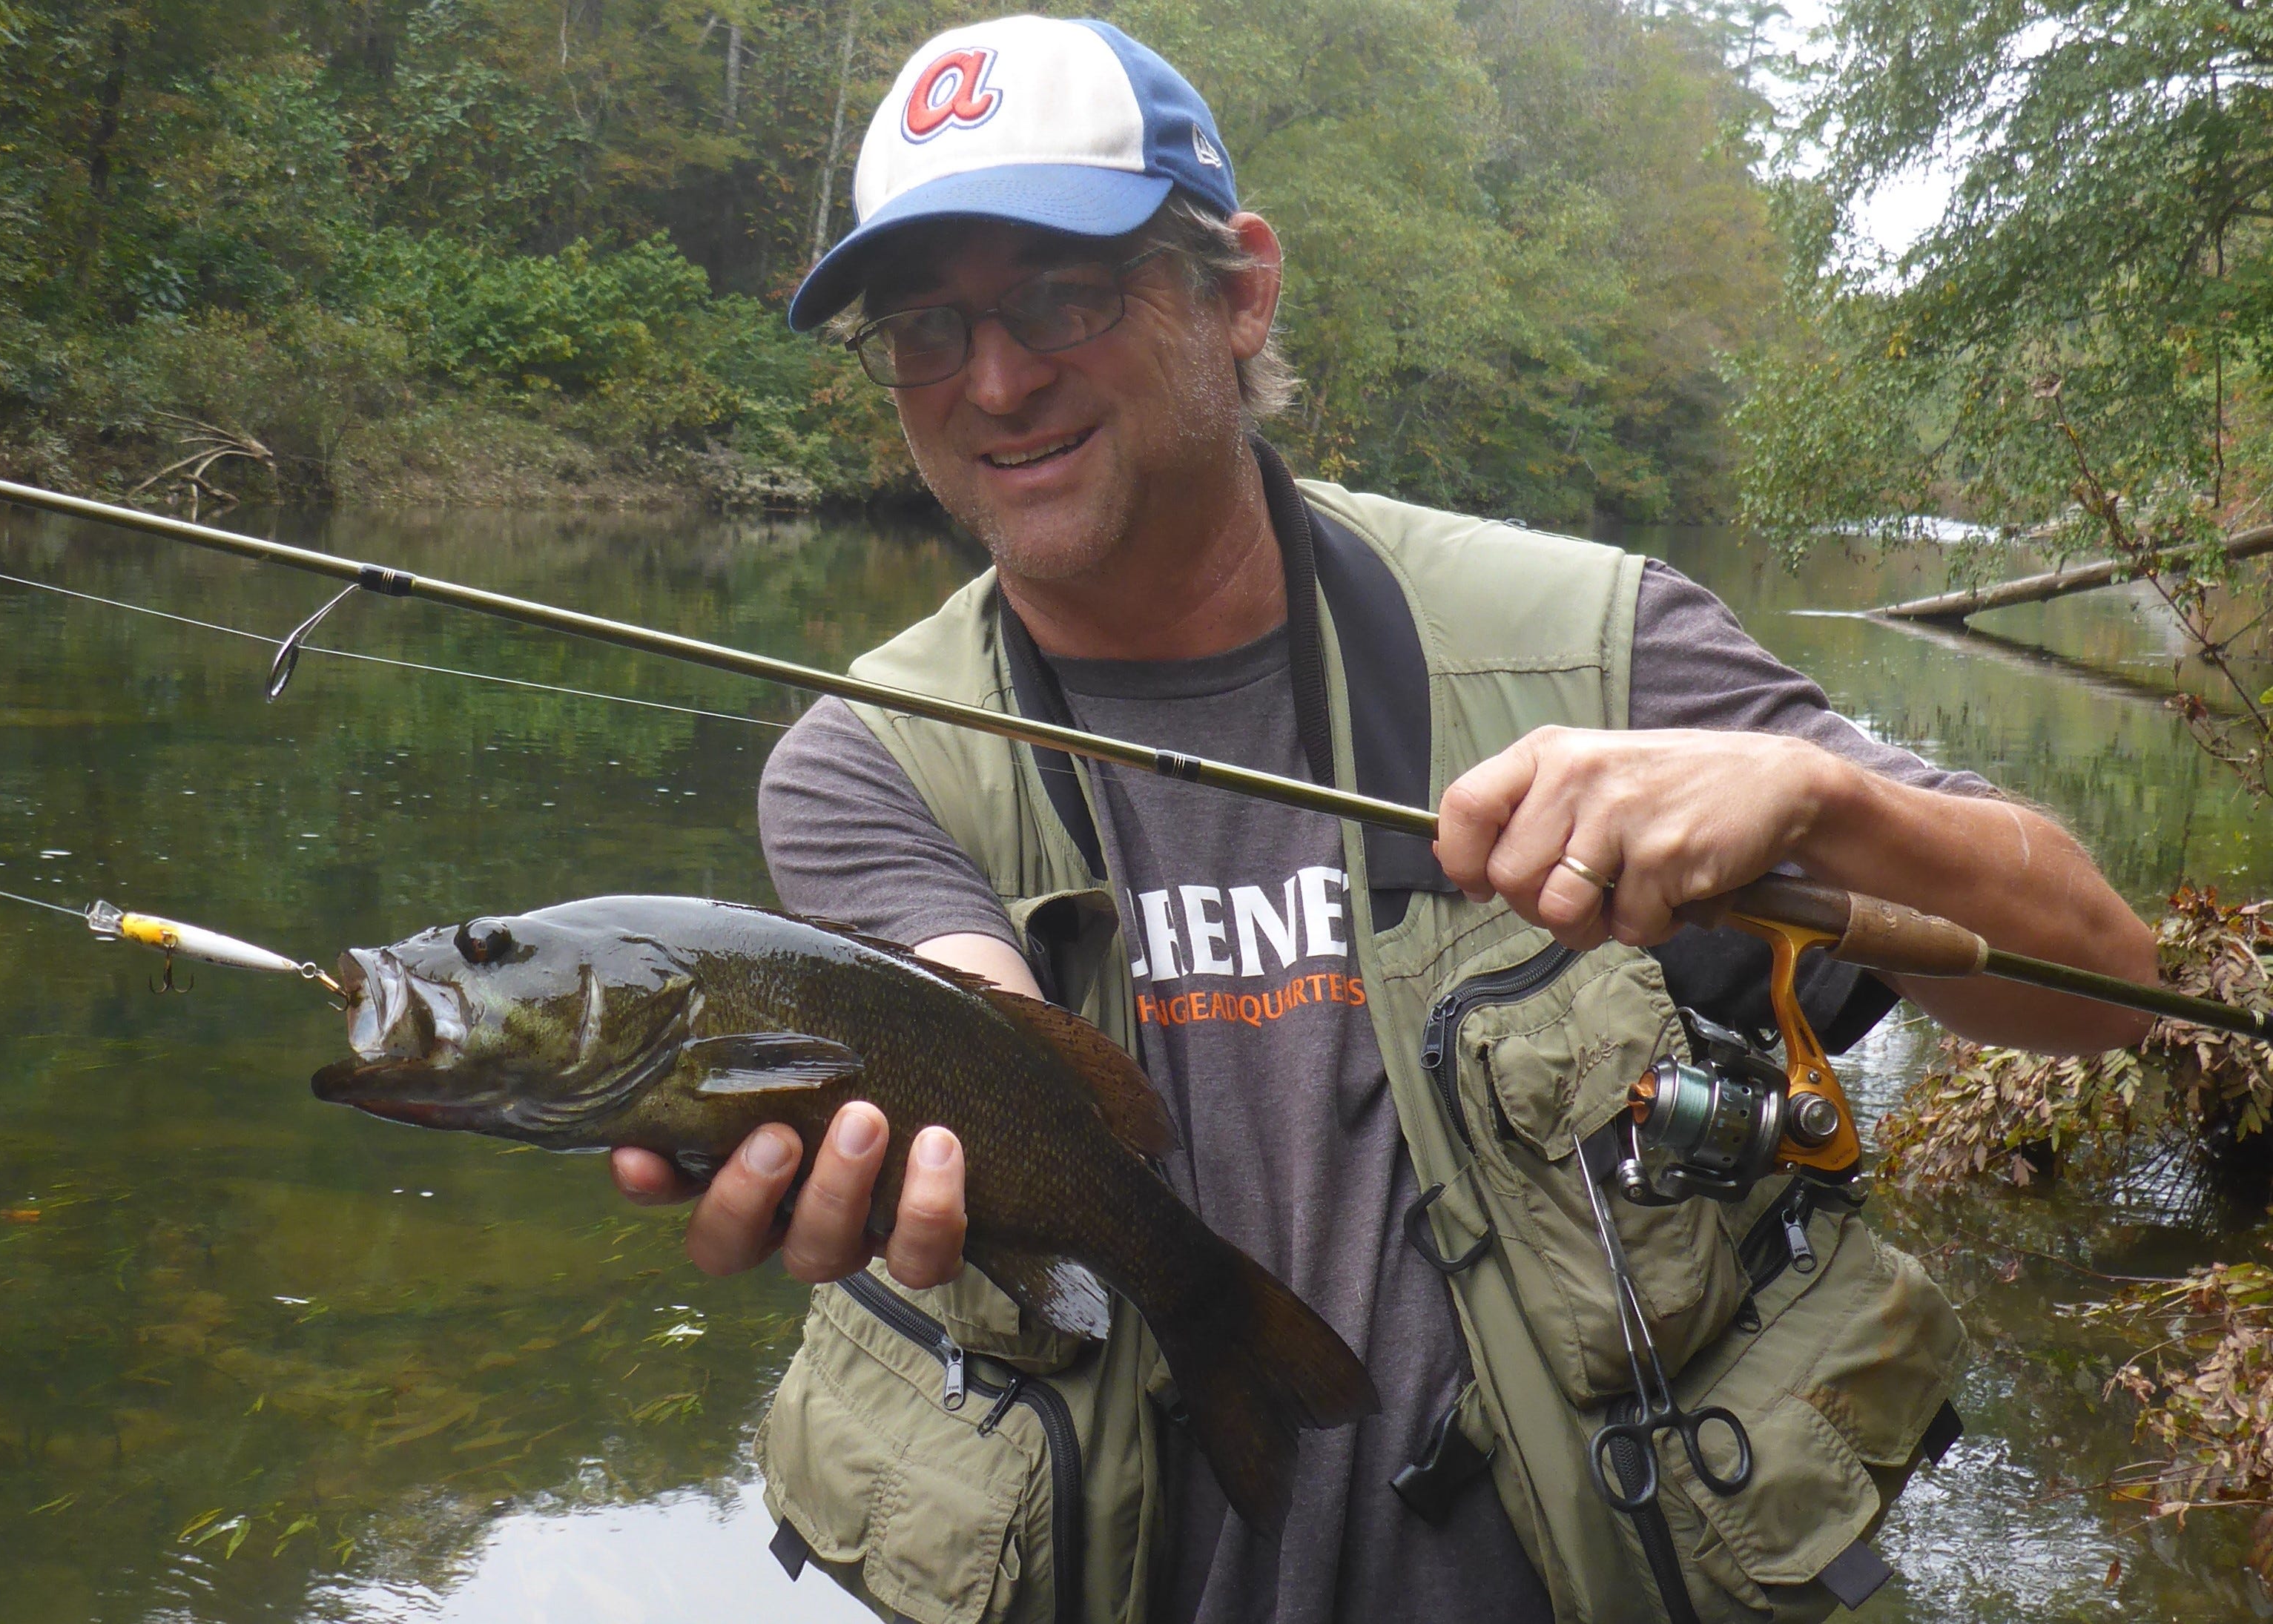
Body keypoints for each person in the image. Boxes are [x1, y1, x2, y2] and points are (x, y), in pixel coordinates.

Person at [611, 16, 2159, 1624]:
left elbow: (2100, 985)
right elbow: (973, 1036)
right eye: (923, 330)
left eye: (1062, 297)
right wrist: (890, 1146)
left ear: (1239, 293)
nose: (994, 381)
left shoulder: (1594, 642)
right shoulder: (866, 761)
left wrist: (1821, 801)